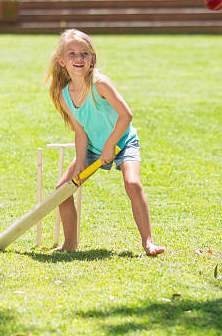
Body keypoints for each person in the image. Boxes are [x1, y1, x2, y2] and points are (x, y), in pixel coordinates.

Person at [44, 29, 164, 256]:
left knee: (133, 184)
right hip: (92, 148)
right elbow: (80, 132)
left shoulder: (100, 84)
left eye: (84, 53)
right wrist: (80, 162)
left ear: (92, 59)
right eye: (71, 54)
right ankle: (70, 244)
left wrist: (110, 145)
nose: (78, 58)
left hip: (122, 142)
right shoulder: (64, 95)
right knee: (63, 190)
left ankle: (148, 242)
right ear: (62, 61)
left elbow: (126, 116)